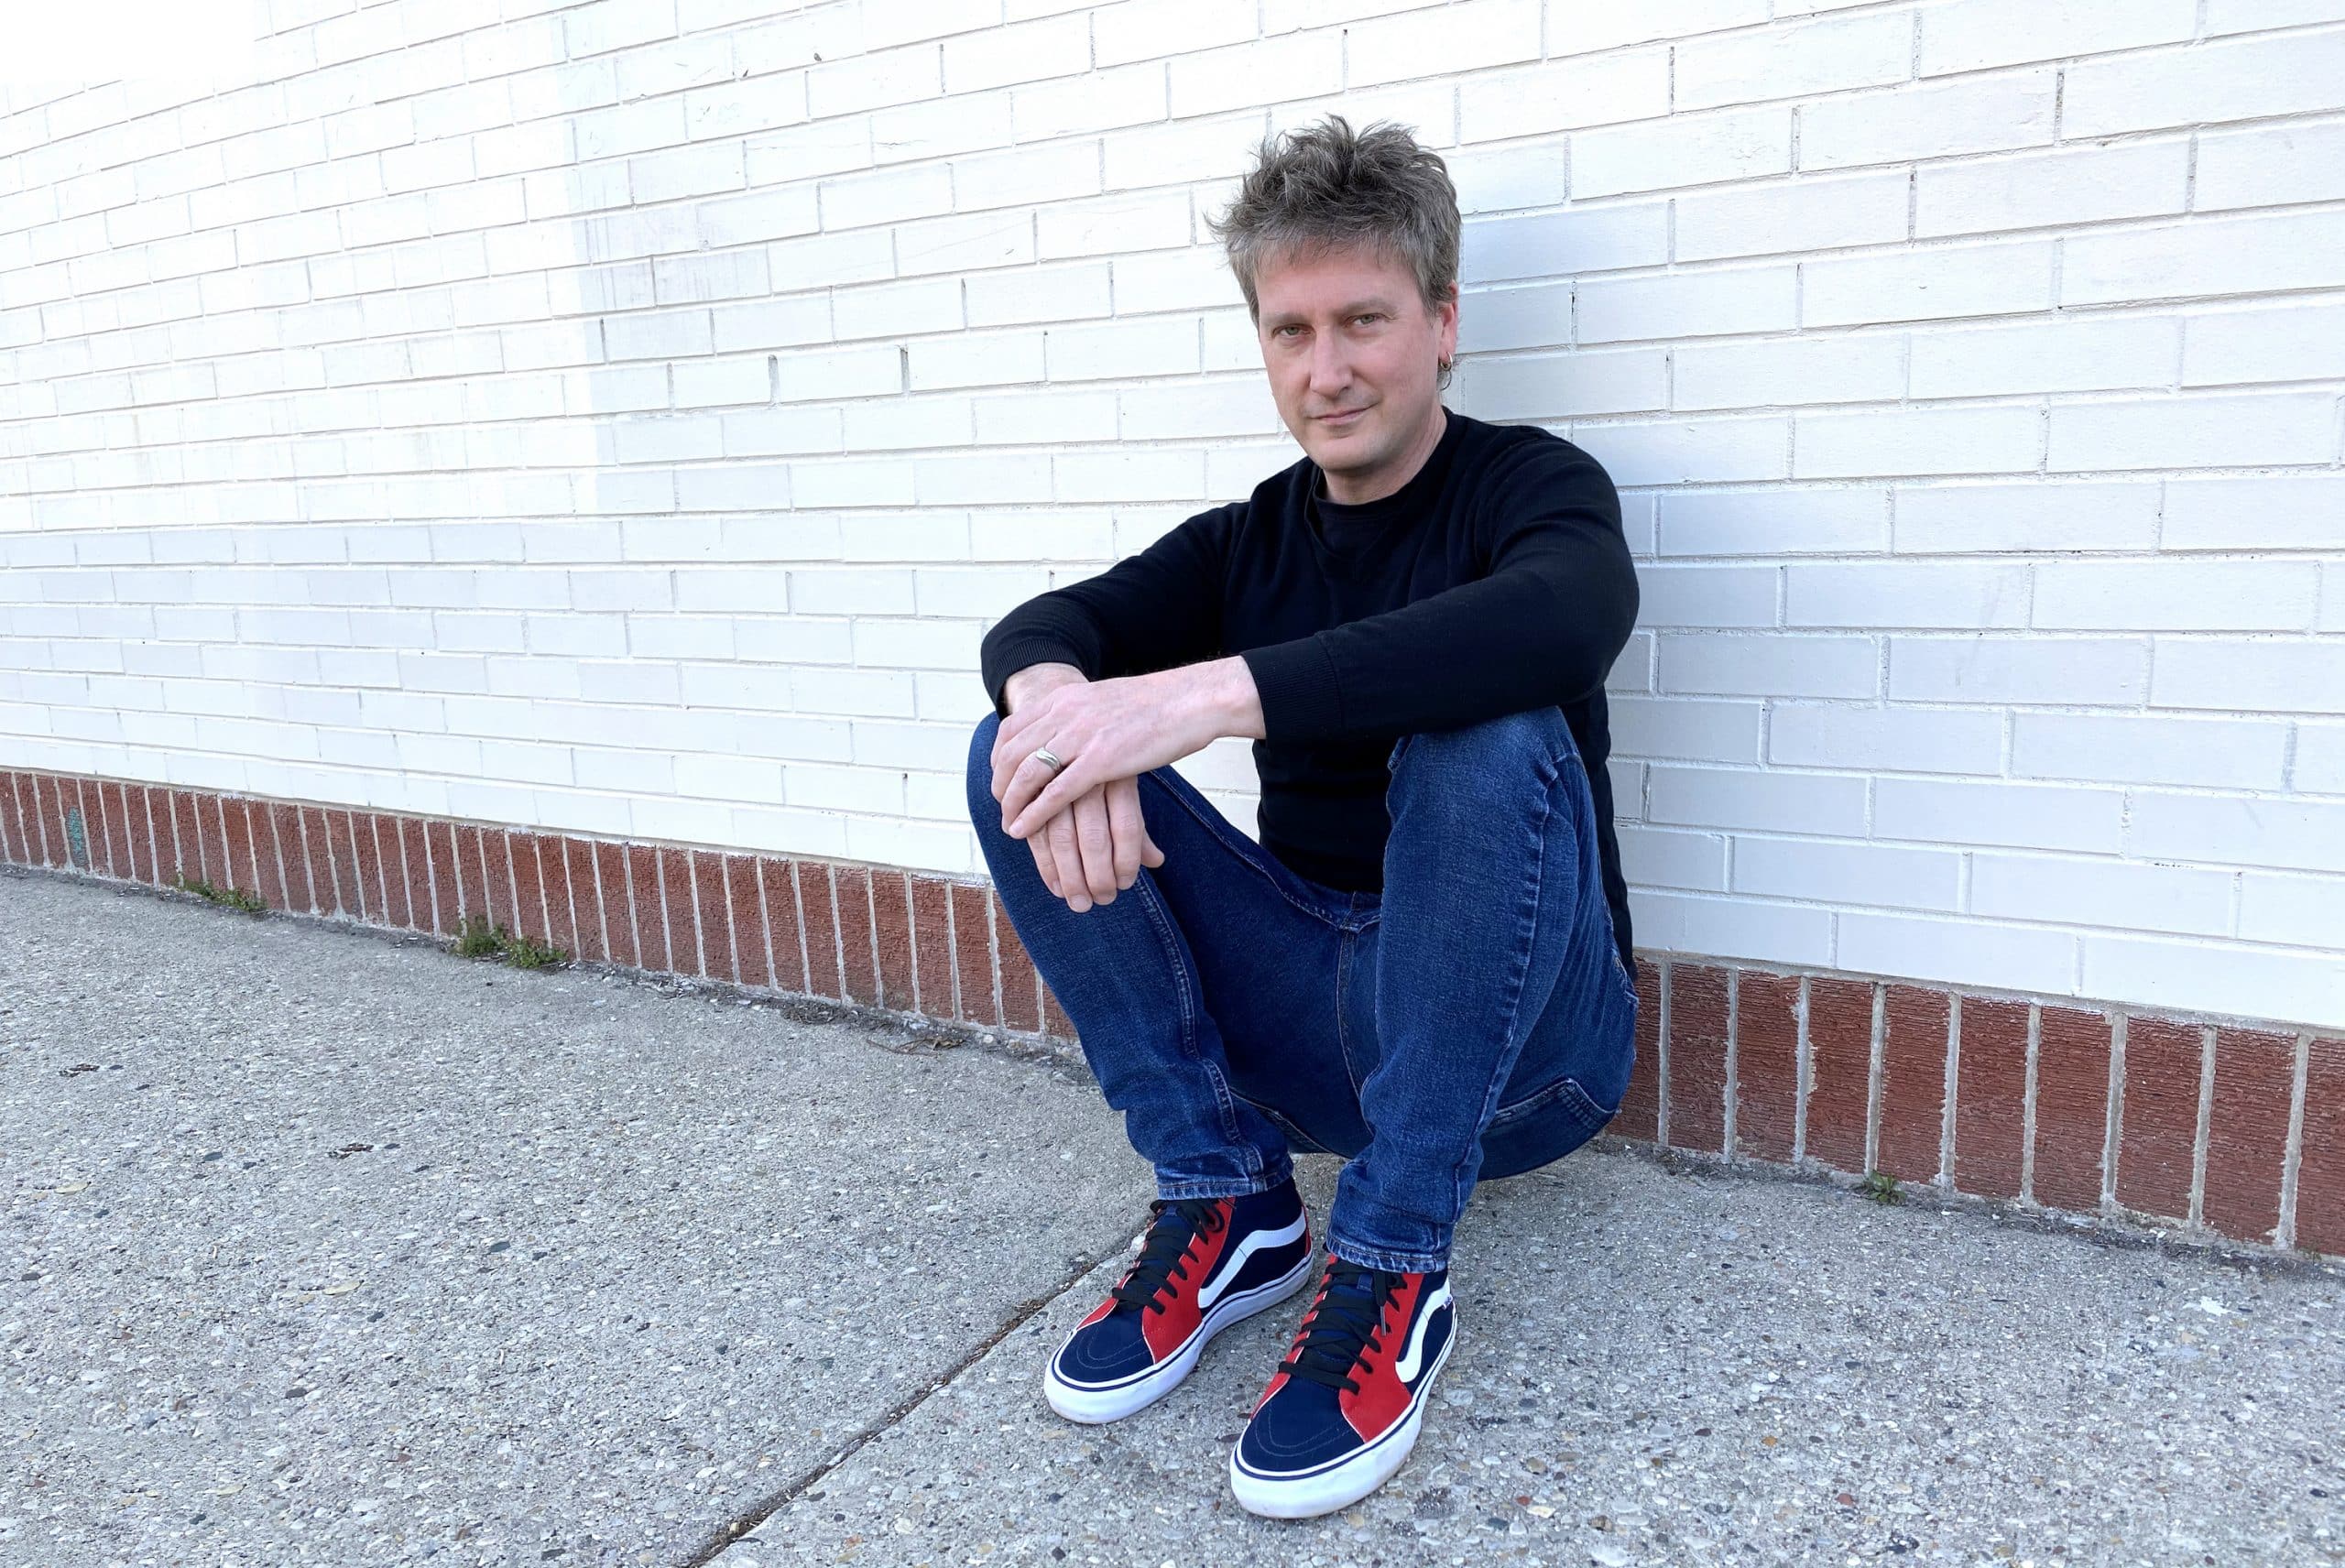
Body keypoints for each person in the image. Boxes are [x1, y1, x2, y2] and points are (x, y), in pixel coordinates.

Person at [965, 114, 1641, 1520]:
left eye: (1364, 322)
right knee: (1015, 748)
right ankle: (1233, 1205)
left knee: (1489, 722)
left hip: (1528, 1055)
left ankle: (1392, 1262)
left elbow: (1564, 618)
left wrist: (1204, 698)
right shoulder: (1250, 536)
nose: (1325, 372)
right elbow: (1044, 628)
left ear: (1443, 322)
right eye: (1290, 332)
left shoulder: (1534, 489)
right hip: (1317, 1024)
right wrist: (1062, 712)